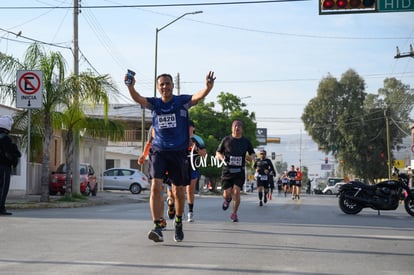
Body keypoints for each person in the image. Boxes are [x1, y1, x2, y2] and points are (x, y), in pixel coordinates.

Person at [126, 71, 215, 242]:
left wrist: (207, 87)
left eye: (168, 83)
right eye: (162, 84)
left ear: (173, 86)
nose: (165, 87)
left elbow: (197, 97)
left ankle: (179, 222)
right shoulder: (155, 104)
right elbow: (138, 98)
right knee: (155, 187)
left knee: (179, 191)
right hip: (159, 151)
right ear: (158, 88)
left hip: (179, 153)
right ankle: (157, 225)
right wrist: (130, 86)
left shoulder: (181, 102)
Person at [216, 120, 255, 222]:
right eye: (235, 126)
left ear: (242, 129)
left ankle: (234, 213)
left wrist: (251, 158)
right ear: (232, 128)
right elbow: (218, 152)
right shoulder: (226, 140)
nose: (237, 128)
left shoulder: (246, 141)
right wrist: (222, 158)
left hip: (239, 171)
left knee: (237, 192)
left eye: (239, 126)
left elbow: (252, 153)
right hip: (227, 171)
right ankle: (227, 200)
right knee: (227, 194)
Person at [0, 115, 21, 216]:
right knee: (3, 187)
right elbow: (10, 153)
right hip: (3, 167)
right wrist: (14, 159)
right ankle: (1, 208)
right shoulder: (5, 138)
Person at [186, 120, 207, 222]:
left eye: (190, 127)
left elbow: (204, 154)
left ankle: (190, 212)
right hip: (180, 167)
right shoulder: (180, 137)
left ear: (193, 128)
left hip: (193, 167)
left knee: (190, 189)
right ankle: (176, 210)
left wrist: (196, 149)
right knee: (178, 190)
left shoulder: (198, 139)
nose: (188, 128)